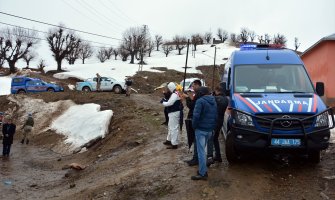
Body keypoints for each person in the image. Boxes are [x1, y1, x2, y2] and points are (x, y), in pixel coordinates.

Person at [191, 87, 217, 181]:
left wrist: (194, 126)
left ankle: (203, 173)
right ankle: (202, 170)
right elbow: (215, 116)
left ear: (201, 93)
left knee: (201, 152)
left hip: (201, 130)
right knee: (203, 150)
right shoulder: (213, 100)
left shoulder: (200, 101)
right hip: (209, 130)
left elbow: (196, 116)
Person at [207, 86, 229, 165]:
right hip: (220, 120)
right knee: (215, 138)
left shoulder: (217, 98)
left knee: (210, 138)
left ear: (217, 91)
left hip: (215, 120)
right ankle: (218, 156)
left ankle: (210, 156)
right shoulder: (226, 98)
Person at [183, 79, 202, 166]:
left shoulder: (199, 95)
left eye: (194, 86)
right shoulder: (199, 95)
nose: (193, 87)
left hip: (195, 120)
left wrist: (187, 98)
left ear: (198, 85)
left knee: (196, 139)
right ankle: (195, 158)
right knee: (196, 140)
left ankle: (196, 159)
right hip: (195, 119)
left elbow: (192, 106)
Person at [161, 82, 182, 149]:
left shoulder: (174, 94)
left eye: (168, 88)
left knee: (173, 128)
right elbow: (170, 101)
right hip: (173, 112)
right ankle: (169, 140)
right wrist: (165, 100)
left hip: (174, 112)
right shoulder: (175, 93)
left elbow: (170, 103)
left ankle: (174, 143)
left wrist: (163, 102)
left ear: (171, 88)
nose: (168, 90)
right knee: (171, 127)